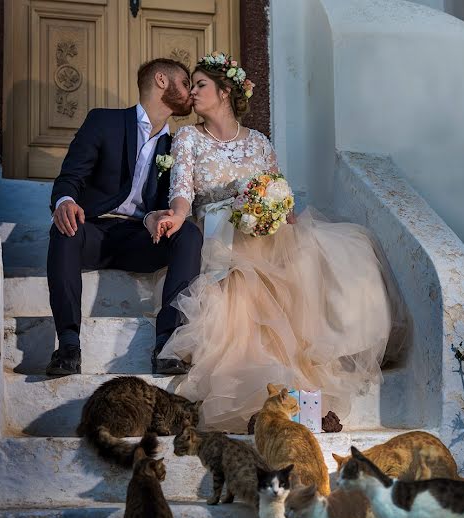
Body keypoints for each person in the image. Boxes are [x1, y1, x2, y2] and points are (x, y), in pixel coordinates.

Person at [147, 52, 406, 432]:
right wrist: (177, 215)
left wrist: (281, 215)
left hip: (263, 228)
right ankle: (264, 402)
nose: (193, 93)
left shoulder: (259, 142)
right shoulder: (187, 137)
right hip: (219, 228)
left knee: (336, 252)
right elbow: (182, 190)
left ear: (224, 91)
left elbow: (278, 192)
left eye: (200, 85)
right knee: (244, 290)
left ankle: (304, 401)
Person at [46, 58, 203, 376]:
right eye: (185, 83)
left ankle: (167, 345)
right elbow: (71, 176)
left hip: (140, 239)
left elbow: (168, 201)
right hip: (94, 231)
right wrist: (65, 201)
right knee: (64, 229)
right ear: (162, 80)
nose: (191, 92)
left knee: (189, 234)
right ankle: (68, 346)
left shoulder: (175, 146)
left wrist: (158, 218)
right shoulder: (104, 122)